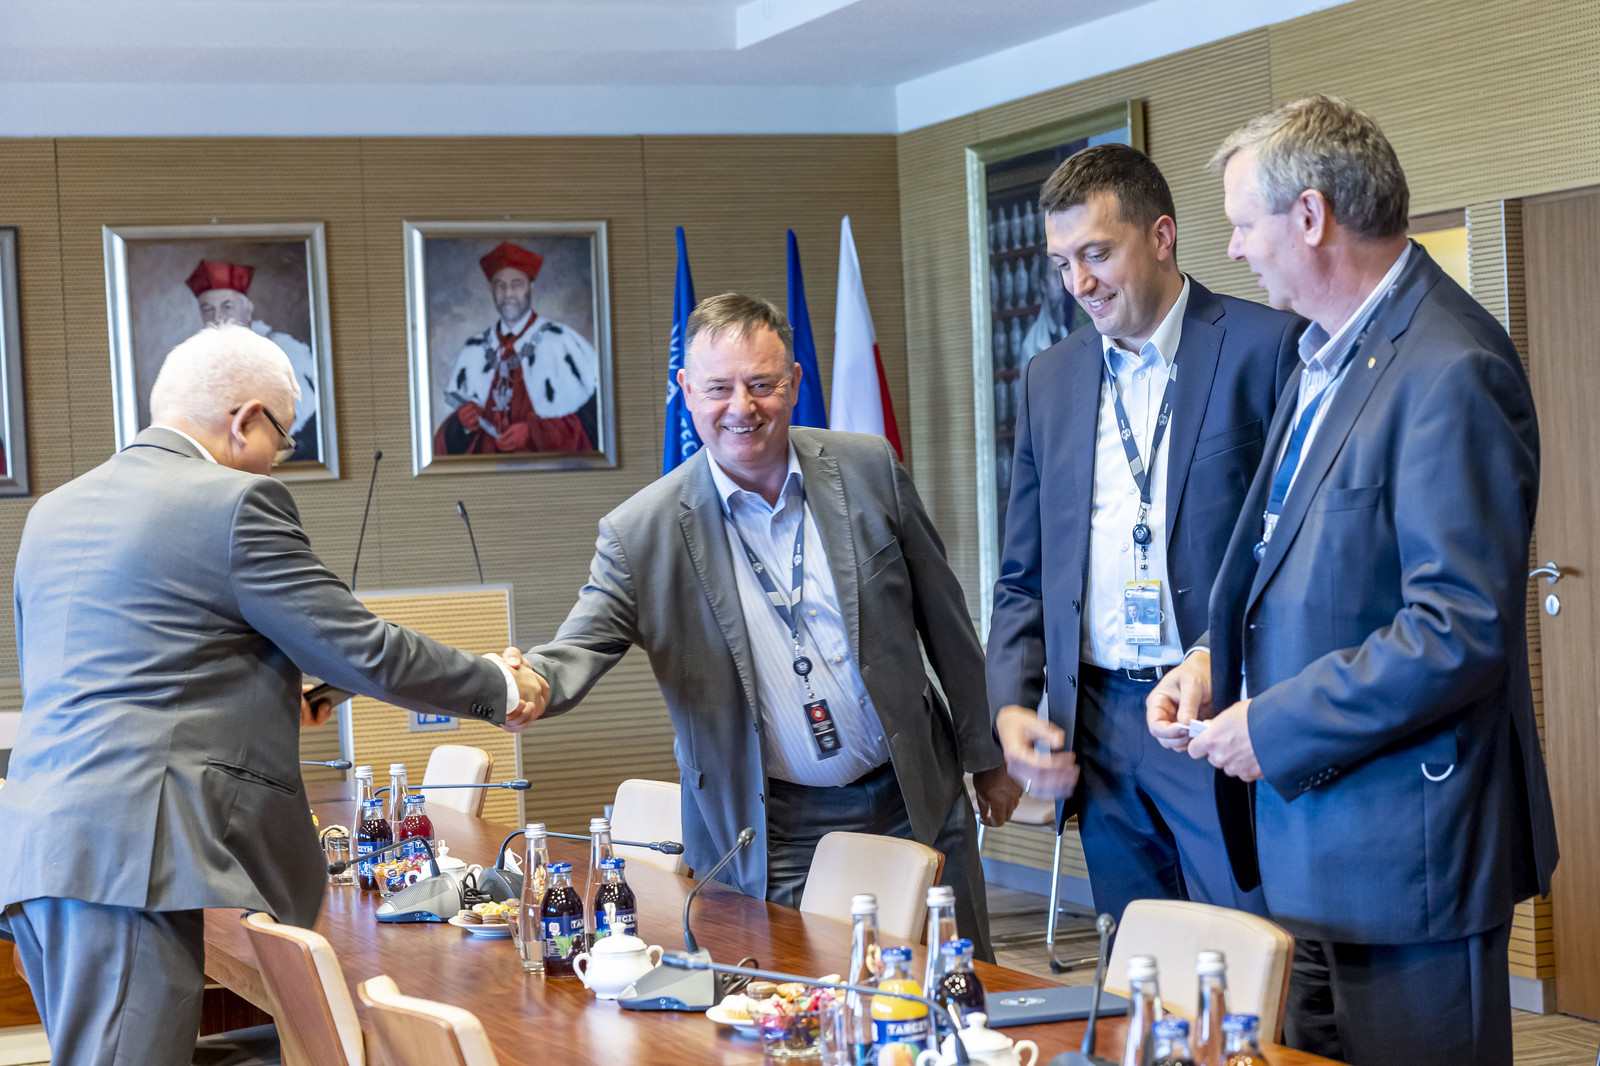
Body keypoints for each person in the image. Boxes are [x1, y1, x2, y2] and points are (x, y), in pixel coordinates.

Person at [0, 324, 547, 1066]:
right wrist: (498, 683)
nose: (274, 459)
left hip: (42, 846)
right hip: (132, 861)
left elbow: (115, 674)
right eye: (281, 441)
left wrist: (274, 692)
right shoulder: (233, 502)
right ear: (247, 418)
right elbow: (362, 647)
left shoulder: (55, 511)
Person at [1147, 95, 1558, 1066]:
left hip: (1409, 859)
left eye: (1243, 224)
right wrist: (1212, 660)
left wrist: (1271, 724)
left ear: (1310, 215)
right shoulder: (1316, 355)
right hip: (1307, 845)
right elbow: (1283, 559)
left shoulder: (1450, 366)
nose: (1233, 250)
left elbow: (1455, 629)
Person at [505, 292, 1019, 957]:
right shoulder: (642, 533)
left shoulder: (868, 469)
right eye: (718, 388)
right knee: (798, 999)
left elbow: (946, 621)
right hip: (776, 829)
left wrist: (988, 755)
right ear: (686, 390)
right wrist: (532, 681)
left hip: (915, 792)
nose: (741, 408)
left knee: (957, 979)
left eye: (762, 384)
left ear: (794, 381)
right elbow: (579, 644)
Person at [986, 144, 1301, 926]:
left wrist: (1224, 659)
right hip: (1098, 726)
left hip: (1214, 711)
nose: (1079, 284)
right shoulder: (1050, 378)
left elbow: (1294, 549)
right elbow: (1024, 572)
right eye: (1062, 264)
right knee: (1137, 959)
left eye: (1096, 254)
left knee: (1241, 953)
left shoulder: (1267, 347)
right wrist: (1009, 705)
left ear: (1161, 236)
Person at [434, 241, 599, 455]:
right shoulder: (474, 350)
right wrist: (462, 424)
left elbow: (595, 425)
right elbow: (444, 447)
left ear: (531, 287)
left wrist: (534, 432)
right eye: (500, 286)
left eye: (516, 284)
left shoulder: (561, 341)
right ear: (491, 290)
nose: (508, 293)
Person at [187, 258, 320, 461]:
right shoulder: (194, 361)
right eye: (208, 309)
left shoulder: (284, 348)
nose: (218, 317)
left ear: (247, 311)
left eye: (227, 307)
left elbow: (308, 413)